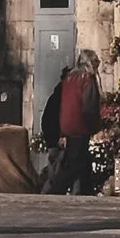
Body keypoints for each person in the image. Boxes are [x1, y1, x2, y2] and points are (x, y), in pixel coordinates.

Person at [42, 51, 104, 197]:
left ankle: (86, 191)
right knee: (75, 164)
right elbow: (89, 107)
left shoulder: (69, 79)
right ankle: (55, 192)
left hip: (67, 126)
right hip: (80, 126)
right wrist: (95, 127)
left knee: (82, 161)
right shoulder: (87, 79)